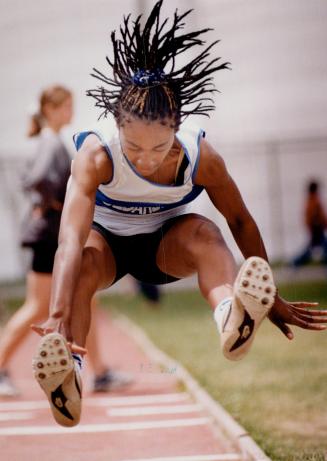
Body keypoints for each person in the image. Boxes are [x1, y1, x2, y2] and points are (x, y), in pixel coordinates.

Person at [31, 1, 327, 427]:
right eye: (133, 148)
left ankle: (231, 315)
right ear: (118, 129)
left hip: (165, 246)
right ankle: (69, 374)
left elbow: (240, 220)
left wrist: (271, 294)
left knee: (207, 232)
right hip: (108, 245)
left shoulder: (200, 156)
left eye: (159, 147)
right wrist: (56, 312)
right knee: (82, 266)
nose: (147, 159)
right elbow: (70, 241)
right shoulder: (96, 156)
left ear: (177, 128)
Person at [0, 85, 130, 397]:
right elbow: (38, 180)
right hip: (49, 236)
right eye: (68, 106)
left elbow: (30, 180)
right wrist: (54, 204)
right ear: (52, 110)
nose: (72, 111)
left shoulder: (50, 140)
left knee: (89, 298)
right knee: (37, 307)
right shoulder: (50, 141)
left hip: (53, 233)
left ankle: (99, 372)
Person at [292, 180, 327, 267]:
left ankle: (295, 263)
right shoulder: (314, 201)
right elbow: (316, 217)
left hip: (316, 229)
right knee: (310, 252)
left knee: (310, 251)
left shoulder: (311, 200)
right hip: (317, 230)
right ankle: (294, 263)